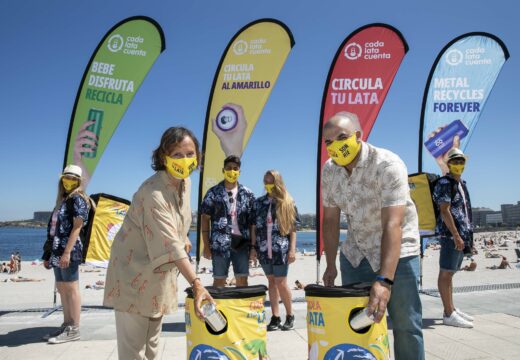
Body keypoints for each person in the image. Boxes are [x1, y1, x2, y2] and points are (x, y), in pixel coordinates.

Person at [103, 127, 214, 360]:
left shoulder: (186, 182)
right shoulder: (153, 193)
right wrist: (196, 283)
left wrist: (183, 237)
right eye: (177, 155)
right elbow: (170, 244)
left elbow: (177, 222)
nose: (185, 160)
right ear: (163, 157)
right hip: (132, 273)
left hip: (158, 277)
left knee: (152, 345)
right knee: (133, 350)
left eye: (190, 154)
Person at [321, 112, 424, 359]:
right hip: (356, 254)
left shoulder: (387, 164)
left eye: (342, 137)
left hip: (399, 253)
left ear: (358, 136)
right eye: (328, 142)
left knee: (406, 326)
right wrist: (331, 264)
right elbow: (331, 220)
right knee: (357, 326)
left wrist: (385, 281)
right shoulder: (329, 170)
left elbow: (393, 224)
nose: (335, 145)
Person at [41, 164, 91, 344]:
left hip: (69, 249)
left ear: (78, 181)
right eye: (66, 177)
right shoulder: (62, 200)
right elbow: (54, 229)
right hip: (57, 249)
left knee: (71, 288)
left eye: (72, 178)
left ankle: (74, 328)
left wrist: (67, 252)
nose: (69, 180)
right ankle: (66, 324)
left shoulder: (78, 199)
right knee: (62, 288)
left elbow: (77, 227)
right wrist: (48, 255)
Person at [251, 170, 299, 331]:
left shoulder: (287, 202)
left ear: (278, 181)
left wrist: (292, 249)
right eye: (265, 181)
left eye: (270, 180)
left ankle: (290, 315)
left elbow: (293, 229)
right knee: (271, 282)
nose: (267, 184)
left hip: (281, 249)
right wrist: (253, 248)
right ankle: (275, 316)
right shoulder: (259, 203)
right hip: (264, 248)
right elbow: (254, 228)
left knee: (281, 282)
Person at [433, 148, 475, 329]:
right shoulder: (445, 182)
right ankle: (449, 313)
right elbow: (444, 210)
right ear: (448, 164)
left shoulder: (461, 183)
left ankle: (451, 310)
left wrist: (467, 237)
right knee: (446, 273)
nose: (458, 164)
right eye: (455, 161)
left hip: (461, 235)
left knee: (451, 273)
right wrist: (456, 235)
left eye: (461, 161)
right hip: (451, 235)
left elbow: (464, 212)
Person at [200, 155, 256, 287]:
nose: (232, 171)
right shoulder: (213, 193)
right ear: (223, 170)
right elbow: (204, 219)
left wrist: (253, 248)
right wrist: (206, 246)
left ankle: (240, 307)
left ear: (239, 172)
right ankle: (219, 308)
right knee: (219, 280)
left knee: (242, 280)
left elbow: (253, 224)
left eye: (235, 168)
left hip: (242, 242)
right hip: (219, 243)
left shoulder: (248, 194)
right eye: (229, 168)